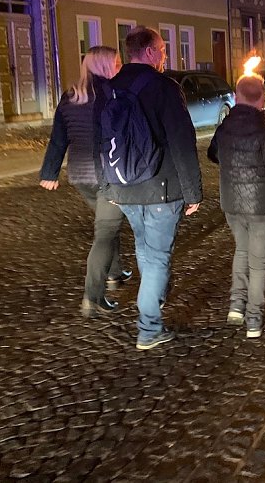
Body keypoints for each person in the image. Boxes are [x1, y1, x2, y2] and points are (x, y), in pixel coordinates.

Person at [93, 26, 202, 351]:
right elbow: (183, 140)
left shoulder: (108, 89)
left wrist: (106, 186)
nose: (166, 54)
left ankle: (153, 297)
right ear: (151, 52)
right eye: (163, 49)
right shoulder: (163, 88)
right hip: (161, 188)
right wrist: (193, 191)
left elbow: (98, 142)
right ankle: (149, 328)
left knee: (144, 246)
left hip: (123, 188)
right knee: (156, 258)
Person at [208, 73, 265, 339]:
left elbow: (213, 153)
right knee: (258, 263)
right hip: (260, 206)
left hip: (232, 203)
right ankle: (253, 319)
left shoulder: (224, 127)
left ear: (236, 97)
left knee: (241, 251)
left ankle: (236, 306)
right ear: (262, 99)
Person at [40, 46, 130, 316]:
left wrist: (49, 172)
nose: (119, 66)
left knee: (107, 225)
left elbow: (59, 137)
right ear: (105, 66)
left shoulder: (70, 97)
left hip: (80, 175)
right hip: (108, 175)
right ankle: (93, 296)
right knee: (105, 232)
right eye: (116, 62)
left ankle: (114, 272)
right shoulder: (113, 95)